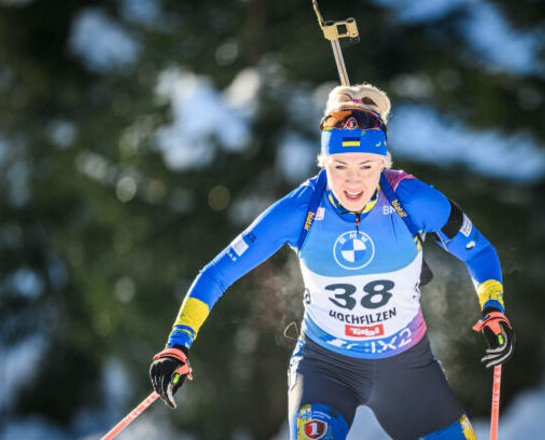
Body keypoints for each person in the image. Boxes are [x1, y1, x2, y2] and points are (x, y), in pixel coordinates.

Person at [149, 83, 515, 439]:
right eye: (339, 166)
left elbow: (478, 250)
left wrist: (493, 307)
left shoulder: (412, 200)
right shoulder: (301, 208)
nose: (352, 181)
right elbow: (217, 274)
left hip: (408, 370)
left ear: (383, 162)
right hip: (326, 368)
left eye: (366, 166)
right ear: (323, 162)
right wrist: (178, 343)